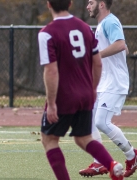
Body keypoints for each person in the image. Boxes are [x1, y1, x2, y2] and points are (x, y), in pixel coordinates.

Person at [38, 0, 124, 179]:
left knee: (50, 140)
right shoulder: (85, 28)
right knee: (83, 138)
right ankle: (111, 165)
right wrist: (92, 90)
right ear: (70, 4)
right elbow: (97, 63)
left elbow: (51, 71)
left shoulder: (47, 33)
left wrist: (52, 103)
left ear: (48, 5)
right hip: (85, 93)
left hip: (64, 96)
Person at [79, 0, 137, 178]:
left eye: (91, 2)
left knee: (101, 122)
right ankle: (99, 162)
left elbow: (119, 45)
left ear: (101, 4)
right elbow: (123, 48)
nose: (88, 6)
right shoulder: (103, 25)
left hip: (115, 83)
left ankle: (132, 155)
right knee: (89, 119)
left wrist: (96, 55)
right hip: (104, 82)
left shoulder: (110, 21)